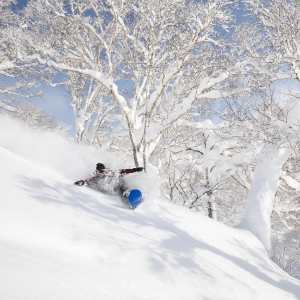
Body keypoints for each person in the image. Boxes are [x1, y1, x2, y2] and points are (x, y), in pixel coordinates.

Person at [74, 162, 143, 197]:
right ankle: (126, 196)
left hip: (118, 186)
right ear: (97, 171)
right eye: (99, 171)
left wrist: (136, 169)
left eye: (102, 170)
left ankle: (128, 193)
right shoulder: (96, 177)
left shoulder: (110, 172)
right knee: (118, 189)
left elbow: (124, 171)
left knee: (120, 183)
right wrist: (81, 182)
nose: (102, 172)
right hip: (110, 191)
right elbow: (87, 181)